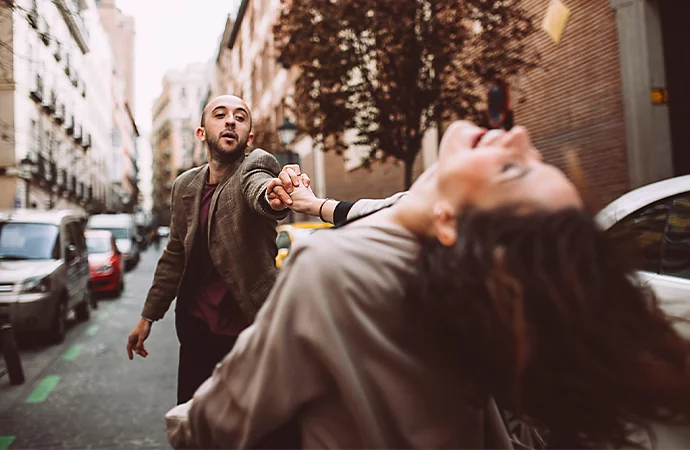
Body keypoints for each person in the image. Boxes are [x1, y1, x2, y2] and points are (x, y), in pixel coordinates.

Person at [167, 122, 690, 449]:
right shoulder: (429, 246)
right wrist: (311, 205)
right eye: (534, 160)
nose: (521, 137)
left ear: (450, 225)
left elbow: (218, 421)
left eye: (511, 169)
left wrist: (182, 423)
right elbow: (385, 209)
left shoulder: (335, 269)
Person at [126, 95, 302, 405]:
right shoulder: (184, 186)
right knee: (193, 425)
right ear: (201, 132)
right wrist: (147, 317)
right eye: (220, 115)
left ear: (248, 137)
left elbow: (258, 188)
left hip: (248, 331)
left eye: (240, 116)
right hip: (196, 330)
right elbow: (174, 256)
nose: (230, 120)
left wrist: (272, 196)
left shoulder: (255, 166)